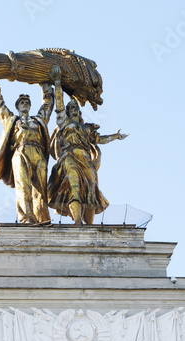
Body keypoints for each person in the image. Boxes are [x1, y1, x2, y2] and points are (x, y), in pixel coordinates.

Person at [47, 69, 128, 225]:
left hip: (85, 159)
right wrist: (57, 82)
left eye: (75, 107)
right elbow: (59, 104)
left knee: (91, 193)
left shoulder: (87, 129)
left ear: (79, 111)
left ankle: (89, 226)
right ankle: (77, 221)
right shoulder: (64, 123)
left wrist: (115, 137)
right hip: (69, 157)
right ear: (68, 112)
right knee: (74, 187)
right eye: (70, 108)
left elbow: (99, 140)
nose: (73, 109)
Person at [0, 80, 54, 224]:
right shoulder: (13, 120)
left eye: (27, 102)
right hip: (20, 152)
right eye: (22, 102)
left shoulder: (39, 120)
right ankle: (26, 218)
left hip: (38, 153)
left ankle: (42, 217)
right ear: (17, 106)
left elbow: (47, 106)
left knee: (41, 188)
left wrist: (46, 87)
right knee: (23, 186)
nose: (25, 104)